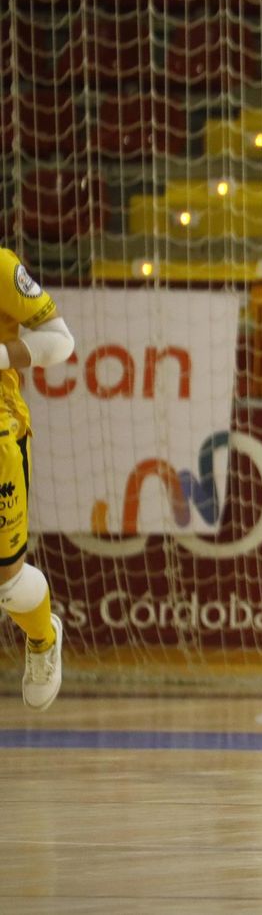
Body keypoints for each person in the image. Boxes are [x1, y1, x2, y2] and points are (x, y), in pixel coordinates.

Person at [0, 249, 75, 711]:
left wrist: (3, 354)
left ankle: (44, 639)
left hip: (1, 433)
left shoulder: (3, 267)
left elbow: (60, 341)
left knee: (9, 583)